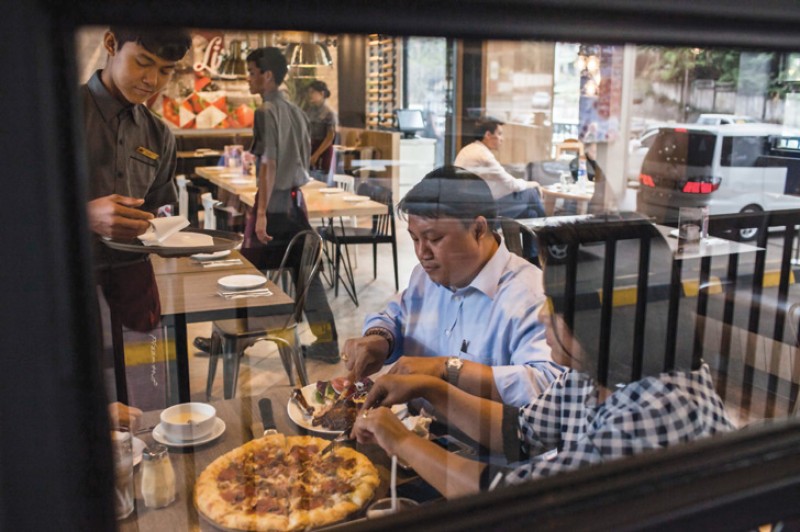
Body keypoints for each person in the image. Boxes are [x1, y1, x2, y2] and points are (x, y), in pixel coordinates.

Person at [351, 219, 735, 499]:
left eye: (553, 305)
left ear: (599, 320)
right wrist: (431, 388)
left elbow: (514, 499)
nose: (541, 315)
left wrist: (401, 439)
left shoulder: (653, 407)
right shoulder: (599, 371)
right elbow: (520, 433)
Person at [343, 166, 561, 407]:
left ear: (478, 229)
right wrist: (380, 339)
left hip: (478, 441)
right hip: (411, 430)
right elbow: (395, 316)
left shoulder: (528, 296)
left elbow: (548, 386)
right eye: (415, 239)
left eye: (434, 239)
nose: (421, 253)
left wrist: (446, 369)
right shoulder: (426, 277)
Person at [83, 27, 191, 421]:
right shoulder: (54, 110)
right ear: (111, 45)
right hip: (69, 283)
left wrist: (166, 227)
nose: (152, 80)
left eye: (165, 71)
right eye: (143, 63)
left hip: (135, 286)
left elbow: (163, 210)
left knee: (147, 403)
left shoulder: (159, 134)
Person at [240, 47, 339, 363]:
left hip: (273, 206)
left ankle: (238, 337)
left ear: (267, 76)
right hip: (296, 203)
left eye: (252, 72)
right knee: (306, 273)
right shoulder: (297, 111)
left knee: (245, 271)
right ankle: (327, 344)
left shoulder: (265, 112)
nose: (248, 79)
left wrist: (260, 216)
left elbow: (269, 163)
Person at [454, 117, 546, 220]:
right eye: (499, 134)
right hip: (479, 211)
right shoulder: (483, 155)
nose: (502, 138)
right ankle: (550, 230)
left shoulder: (469, 149)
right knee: (531, 193)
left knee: (530, 214)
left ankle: (542, 234)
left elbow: (502, 185)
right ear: (488, 135)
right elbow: (512, 184)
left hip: (470, 207)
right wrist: (535, 184)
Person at [305, 80, 337, 181]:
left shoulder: (329, 113)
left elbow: (330, 137)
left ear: (322, 94)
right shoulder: (310, 110)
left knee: (322, 180)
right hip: (311, 148)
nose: (310, 95)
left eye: (313, 92)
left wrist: (316, 155)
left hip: (323, 150)